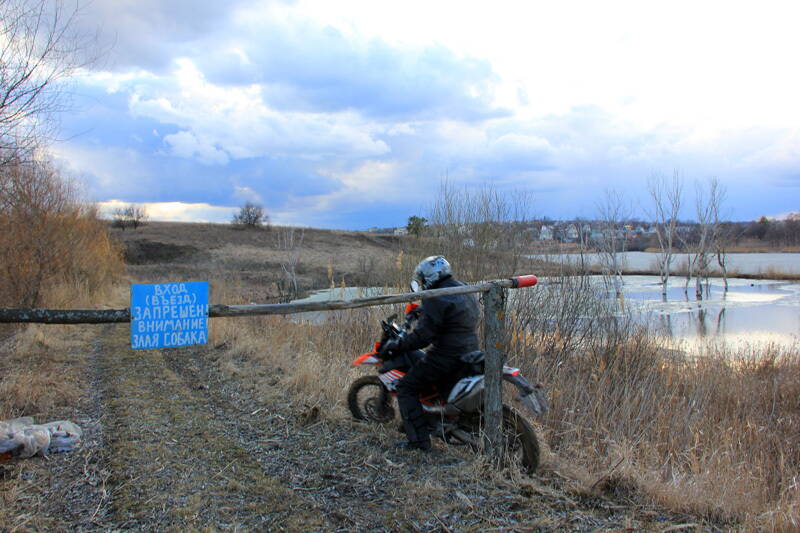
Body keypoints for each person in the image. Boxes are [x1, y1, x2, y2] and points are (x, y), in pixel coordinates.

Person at [379, 256, 480, 451]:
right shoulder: (463, 288)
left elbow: (422, 338)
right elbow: (452, 312)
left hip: (446, 356)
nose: (422, 282)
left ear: (430, 277)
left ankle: (418, 442)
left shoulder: (434, 296)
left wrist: (398, 345)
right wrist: (423, 311)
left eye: (423, 279)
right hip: (470, 349)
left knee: (406, 387)